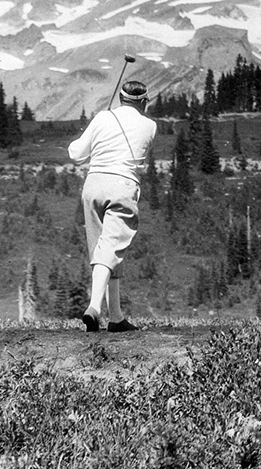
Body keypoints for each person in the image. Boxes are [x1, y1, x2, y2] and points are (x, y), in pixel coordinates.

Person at [68, 81, 157, 332]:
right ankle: (94, 308)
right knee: (110, 249)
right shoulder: (150, 126)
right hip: (122, 185)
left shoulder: (102, 117)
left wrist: (98, 125)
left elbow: (75, 154)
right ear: (144, 101)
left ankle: (116, 317)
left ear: (120, 98)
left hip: (93, 185)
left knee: (104, 250)